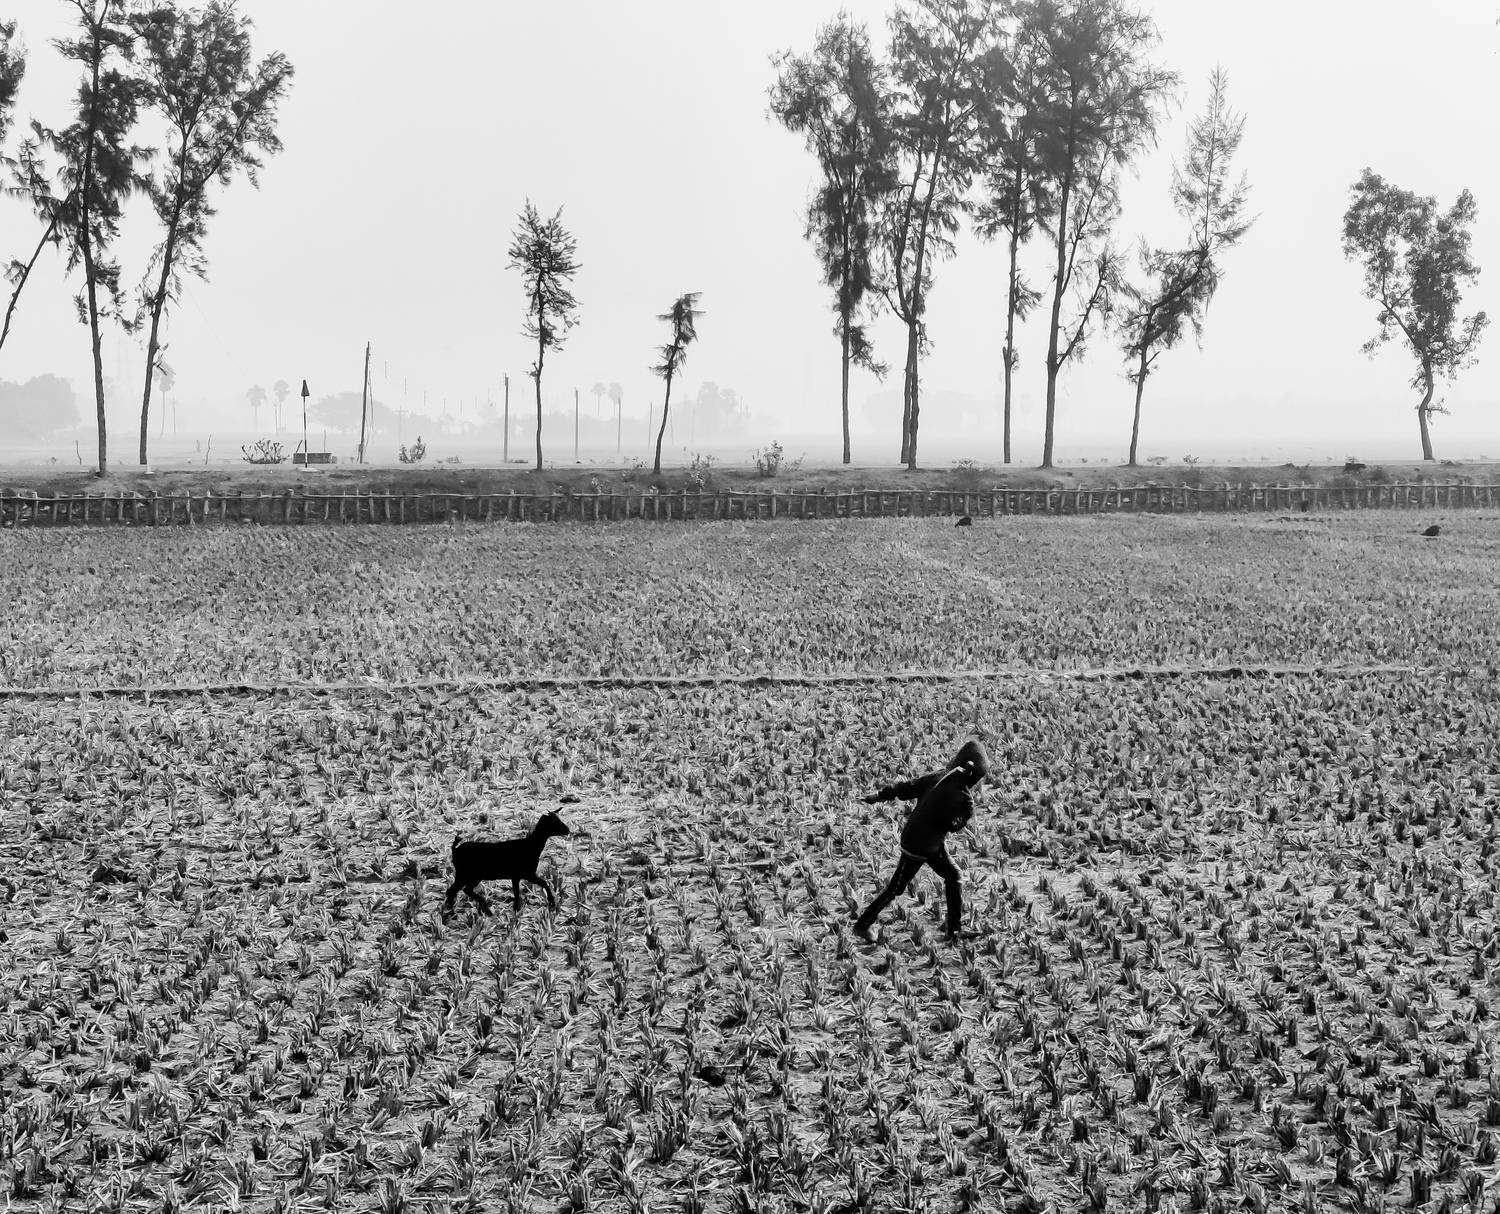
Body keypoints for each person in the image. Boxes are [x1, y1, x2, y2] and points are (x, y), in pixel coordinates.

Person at [853, 739, 991, 943]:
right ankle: (862, 925)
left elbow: (906, 788)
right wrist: (967, 812)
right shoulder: (958, 793)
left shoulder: (938, 777)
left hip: (926, 841)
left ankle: (954, 931)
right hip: (920, 845)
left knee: (953, 875)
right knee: (896, 888)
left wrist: (879, 796)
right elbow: (951, 825)